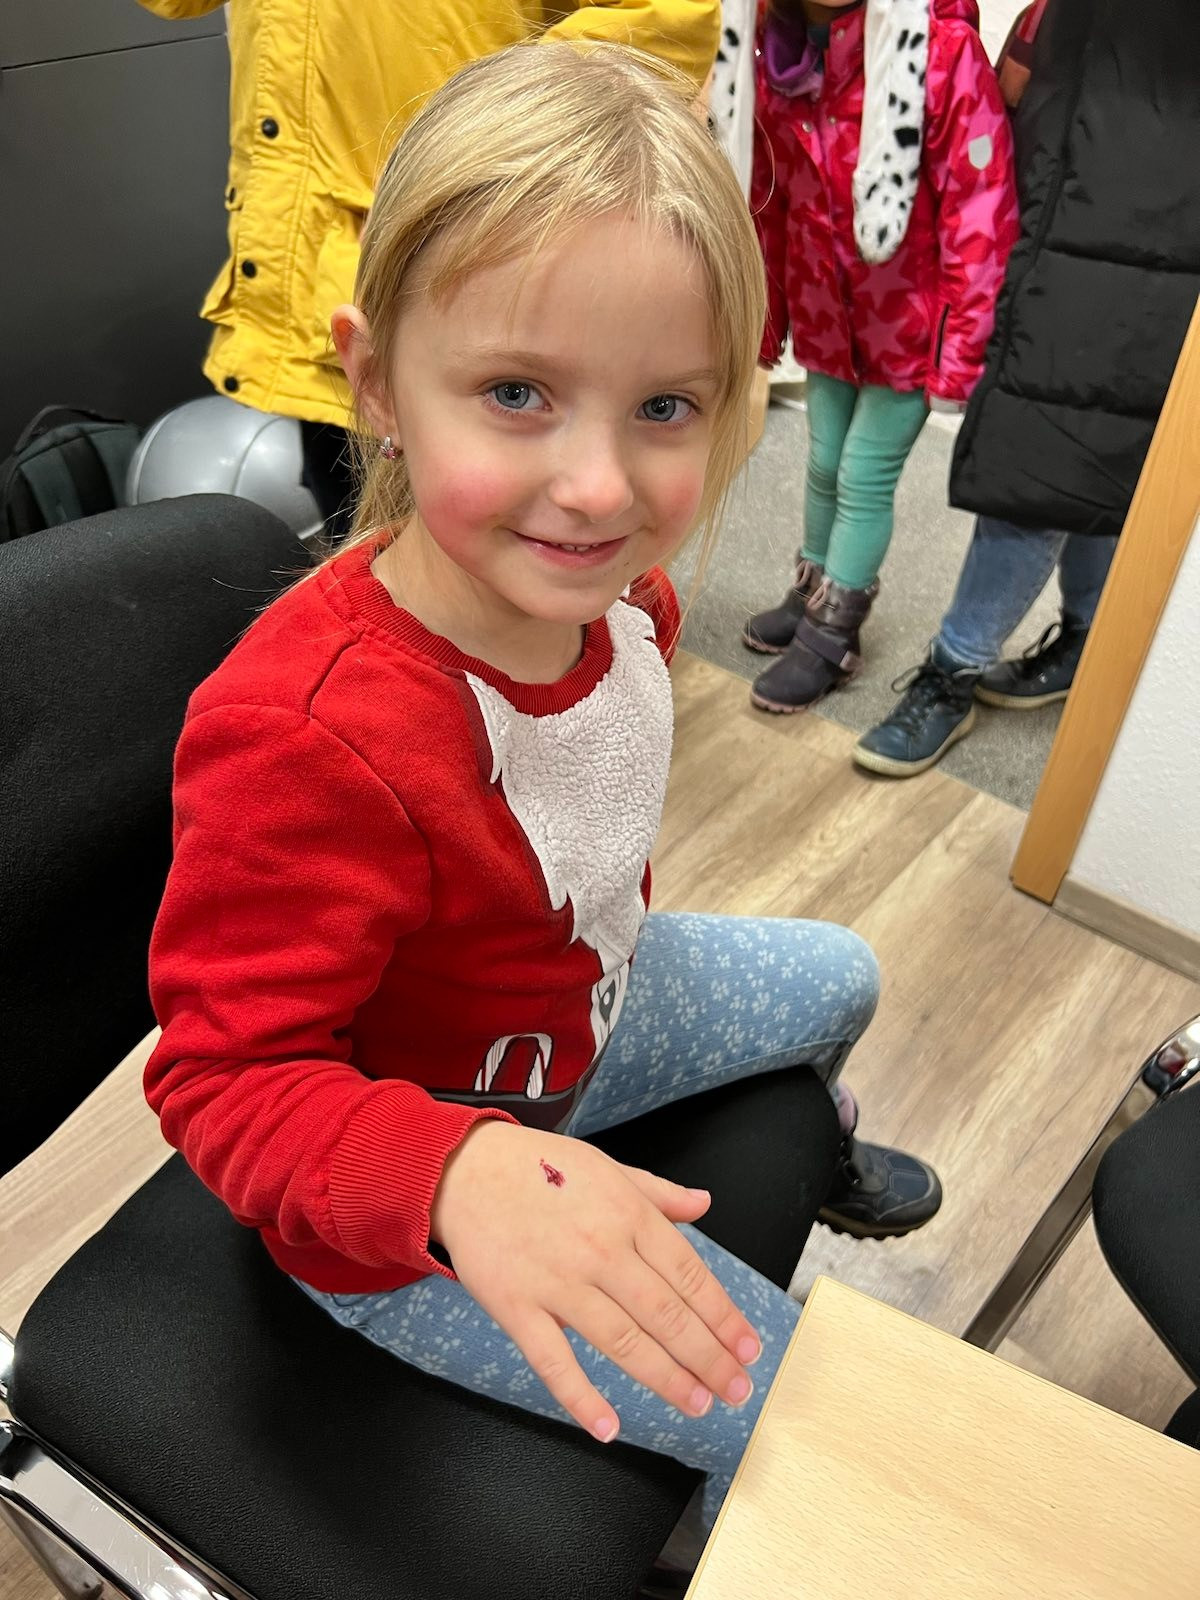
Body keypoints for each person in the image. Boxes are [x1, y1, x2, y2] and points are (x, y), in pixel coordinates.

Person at [144, 42, 942, 1573]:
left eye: (663, 406)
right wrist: (450, 1171)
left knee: (844, 973)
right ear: (378, 382)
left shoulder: (617, 599)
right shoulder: (305, 734)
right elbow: (222, 1082)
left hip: (570, 1015)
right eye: (517, 394)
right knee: (795, 1409)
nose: (596, 487)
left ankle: (808, 1154)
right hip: (406, 1191)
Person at [135, 0, 723, 540]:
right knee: (364, 538)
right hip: (314, 268)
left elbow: (669, 15)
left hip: (477, 266)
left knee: (520, 542)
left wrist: (470, 145)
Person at [855, 0, 1200, 777]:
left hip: (1137, 236)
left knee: (1043, 463)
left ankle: (953, 672)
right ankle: (1084, 636)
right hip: (1056, 209)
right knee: (1090, 454)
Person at [741, 0, 1018, 714]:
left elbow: (979, 212)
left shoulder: (942, 53)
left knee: (863, 474)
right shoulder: (779, 51)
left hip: (910, 325)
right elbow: (770, 198)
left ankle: (833, 632)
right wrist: (767, 317)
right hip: (827, 312)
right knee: (823, 461)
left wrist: (961, 350)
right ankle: (811, 592)